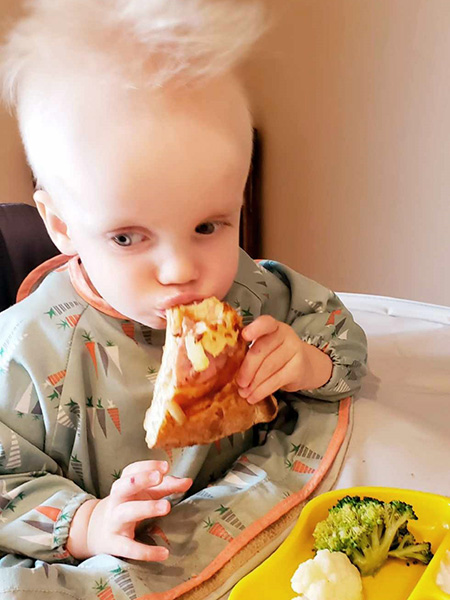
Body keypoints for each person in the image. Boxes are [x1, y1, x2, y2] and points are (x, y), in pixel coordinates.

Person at [0, 1, 367, 598]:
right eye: (126, 237)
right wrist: (86, 523)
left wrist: (307, 362)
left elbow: (342, 335)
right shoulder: (29, 351)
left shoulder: (253, 290)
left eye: (209, 226)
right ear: (61, 225)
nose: (181, 271)